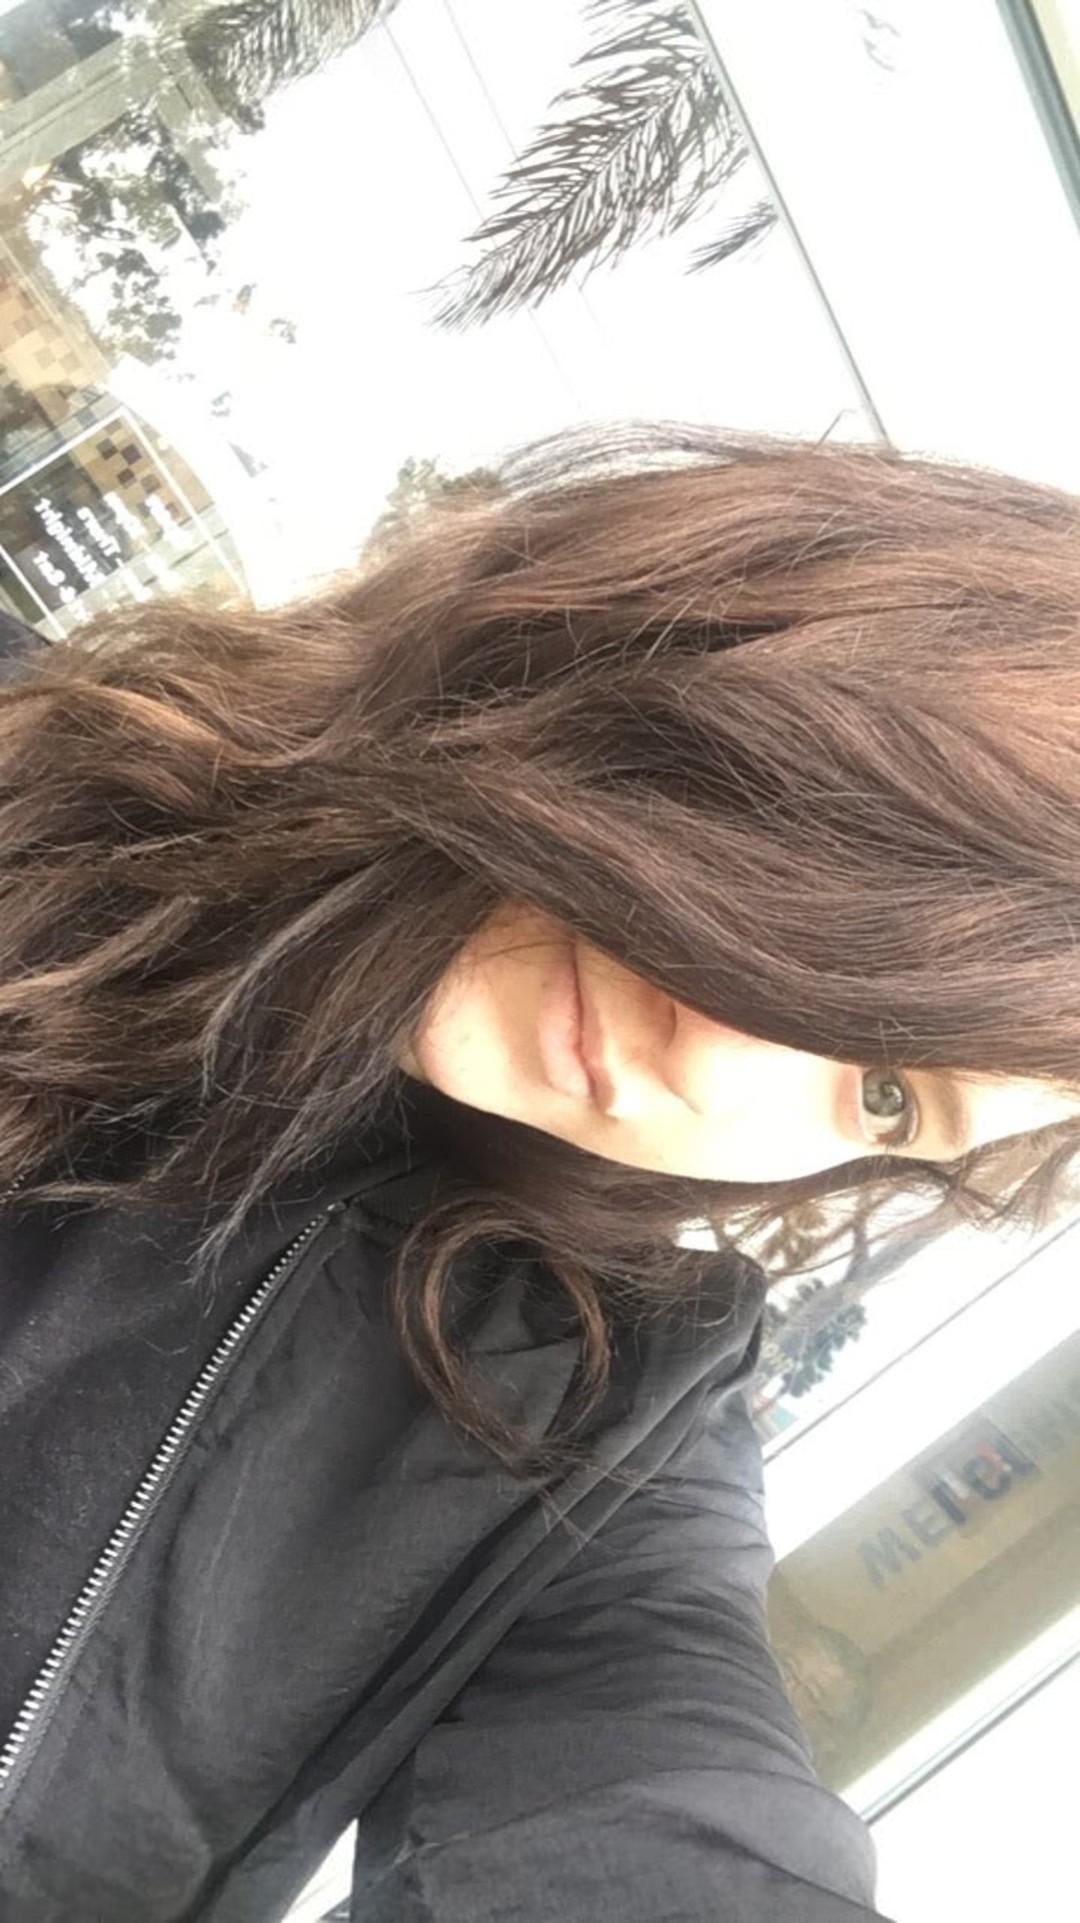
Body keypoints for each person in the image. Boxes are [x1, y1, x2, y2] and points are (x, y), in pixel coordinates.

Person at [1, 419, 1079, 1922]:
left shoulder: (587, 1428)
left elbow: (662, 1815)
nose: (719, 1067)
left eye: (888, 1093)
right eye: (841, 899)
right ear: (693, 637)